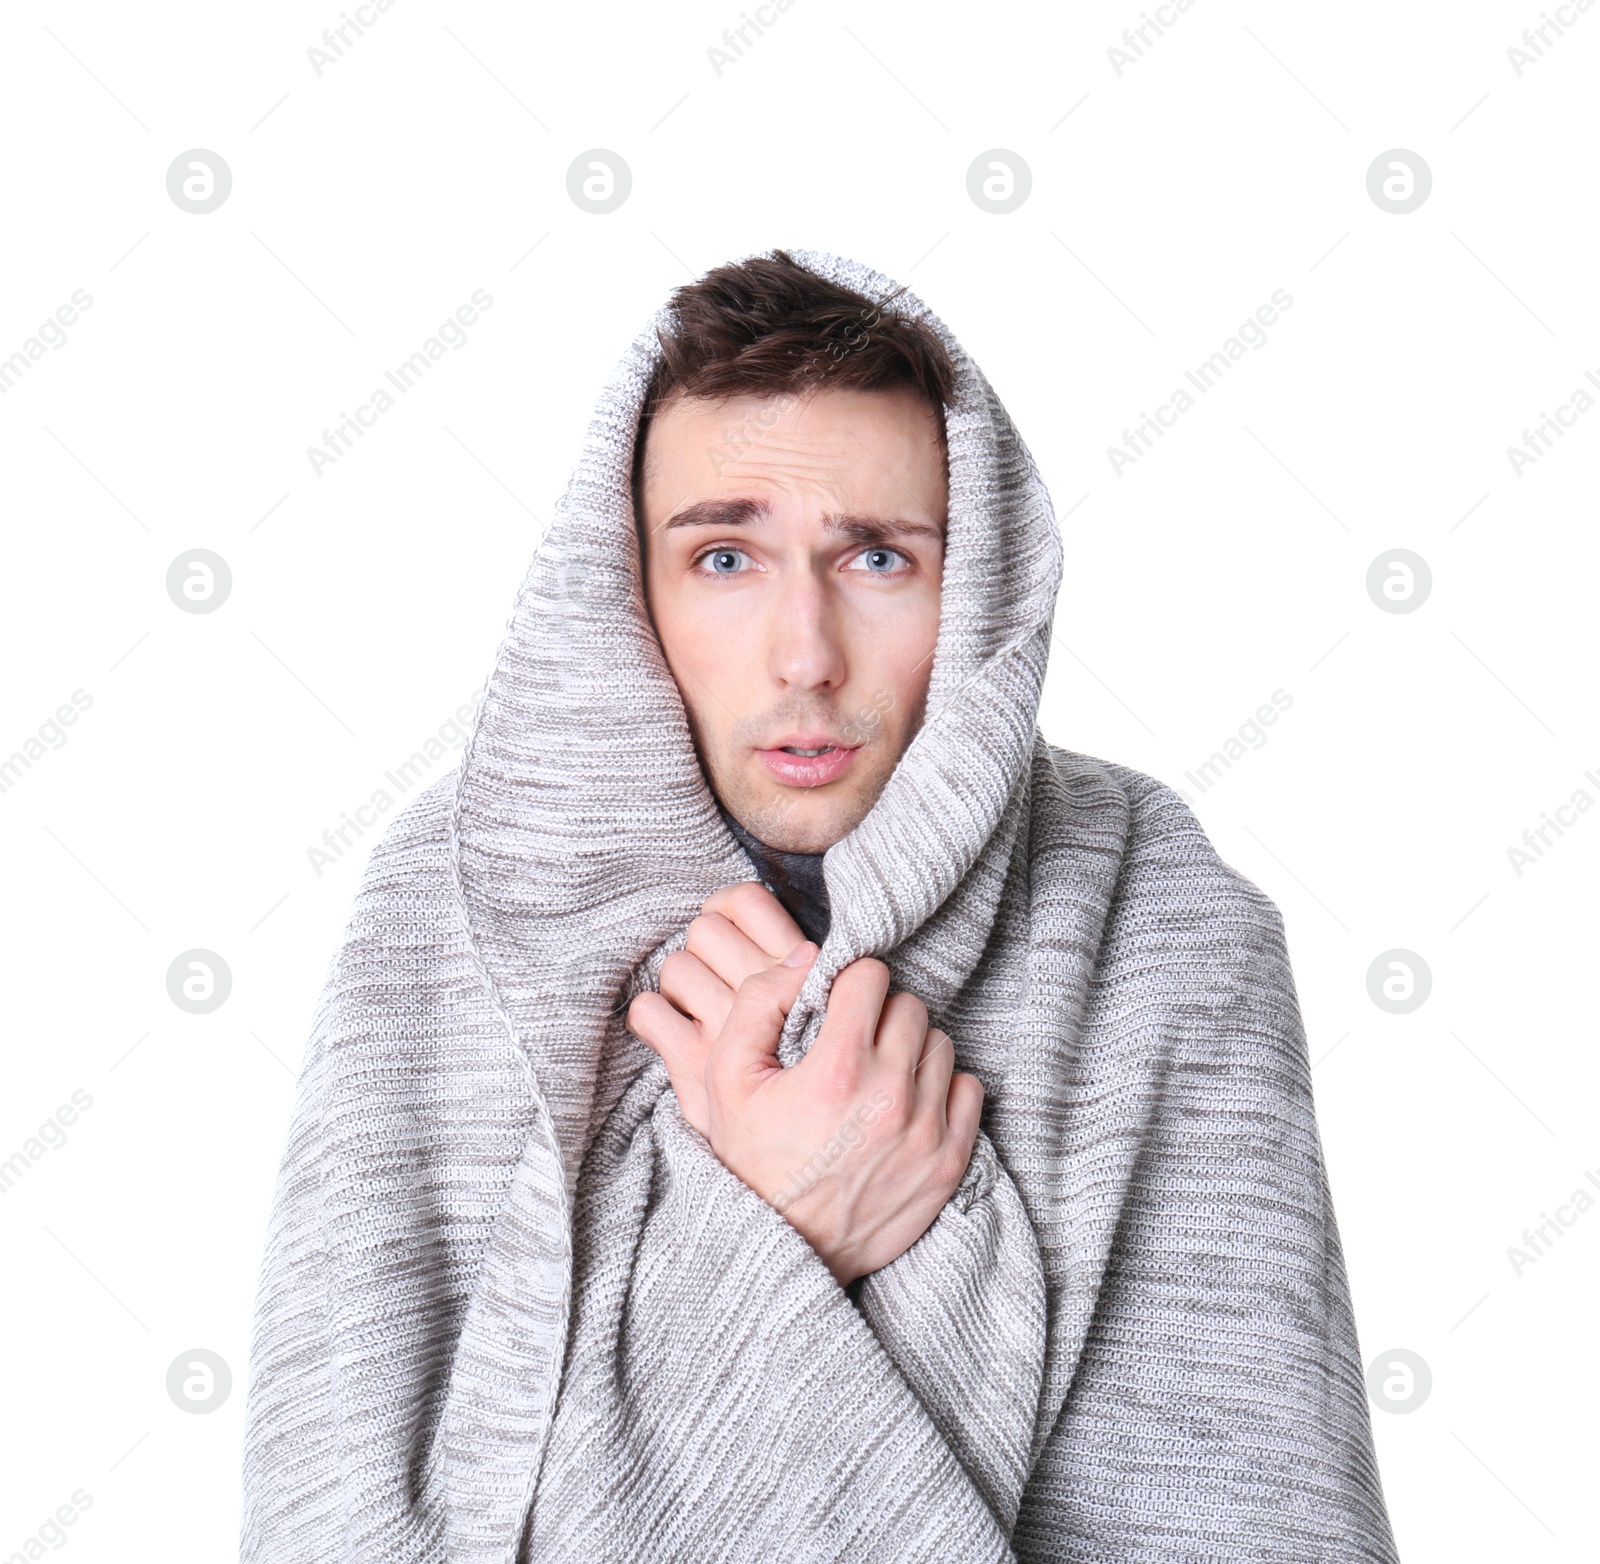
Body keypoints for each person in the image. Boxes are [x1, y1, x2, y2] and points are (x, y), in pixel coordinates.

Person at [240, 249, 1401, 1563]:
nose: (804, 654)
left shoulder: (1157, 903)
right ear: (626, 587)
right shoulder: (444, 897)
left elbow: (1249, 1507)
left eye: (877, 560)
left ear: (975, 592)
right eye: (726, 556)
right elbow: (328, 1515)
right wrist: (782, 1221)